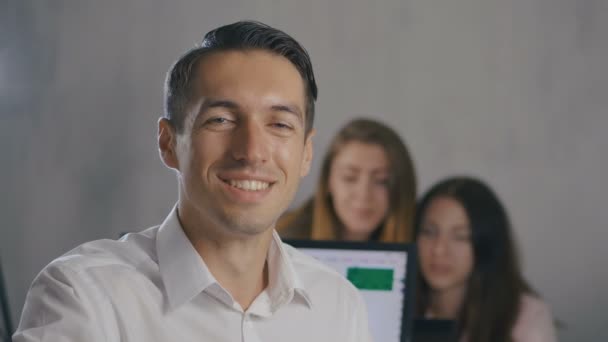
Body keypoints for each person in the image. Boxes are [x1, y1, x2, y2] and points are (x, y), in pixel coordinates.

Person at [13, 21, 372, 342]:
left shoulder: (339, 304)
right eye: (221, 120)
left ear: (306, 153)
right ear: (168, 143)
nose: (251, 152)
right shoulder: (84, 296)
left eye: (279, 125)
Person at [414, 176, 557, 342]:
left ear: (487, 244)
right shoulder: (399, 306)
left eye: (461, 237)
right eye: (429, 232)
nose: (439, 250)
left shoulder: (525, 317)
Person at [277, 118, 417, 242]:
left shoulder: (421, 244)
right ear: (328, 182)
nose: (364, 194)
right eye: (349, 178)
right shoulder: (281, 243)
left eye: (382, 181)